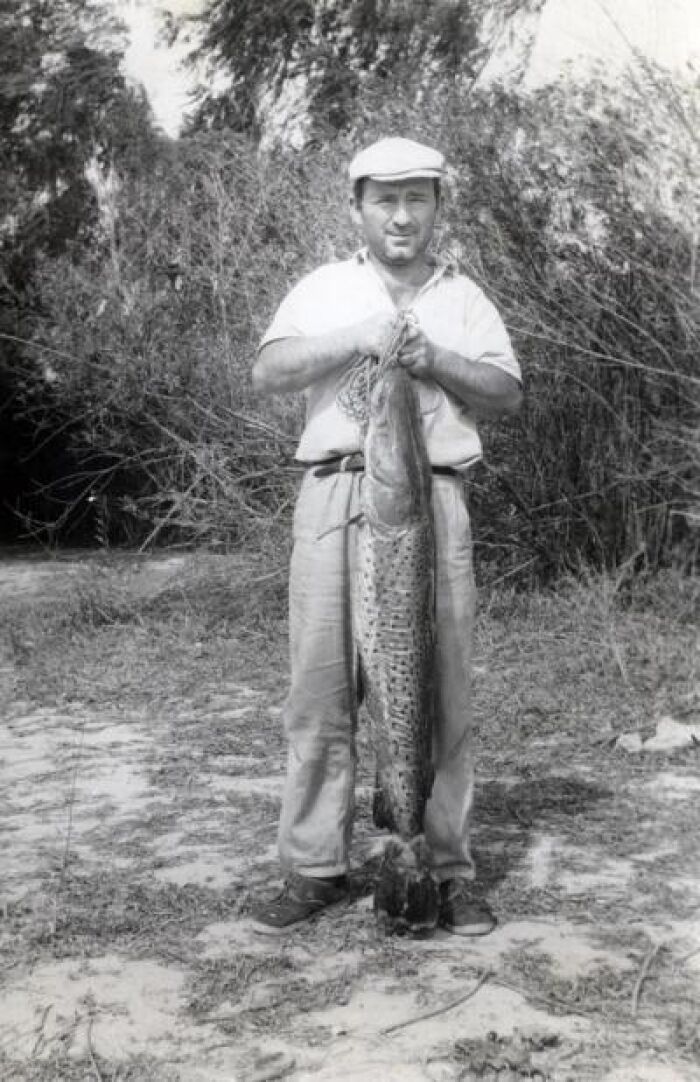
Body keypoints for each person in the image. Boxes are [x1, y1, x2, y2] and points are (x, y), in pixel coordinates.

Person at [250, 136, 522, 936]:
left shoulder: (464, 297)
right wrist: (360, 338)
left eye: (417, 199)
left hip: (432, 501)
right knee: (320, 690)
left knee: (439, 692)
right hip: (335, 493)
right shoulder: (325, 287)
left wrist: (432, 354)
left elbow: (506, 391)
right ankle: (314, 867)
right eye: (385, 200)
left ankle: (442, 868)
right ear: (357, 207)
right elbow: (269, 371)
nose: (402, 216)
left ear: (439, 206)